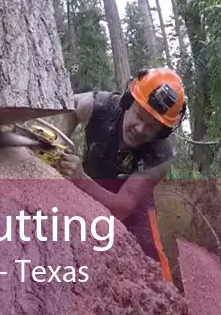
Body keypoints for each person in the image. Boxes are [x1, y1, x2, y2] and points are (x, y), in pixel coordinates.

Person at [53, 68, 187, 283]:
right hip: (89, 183)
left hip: (131, 202)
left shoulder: (160, 156)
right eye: (138, 116)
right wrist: (59, 143)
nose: (140, 129)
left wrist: (80, 179)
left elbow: (122, 208)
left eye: (151, 127)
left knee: (151, 256)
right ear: (127, 102)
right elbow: (72, 106)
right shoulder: (101, 105)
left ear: (162, 132)